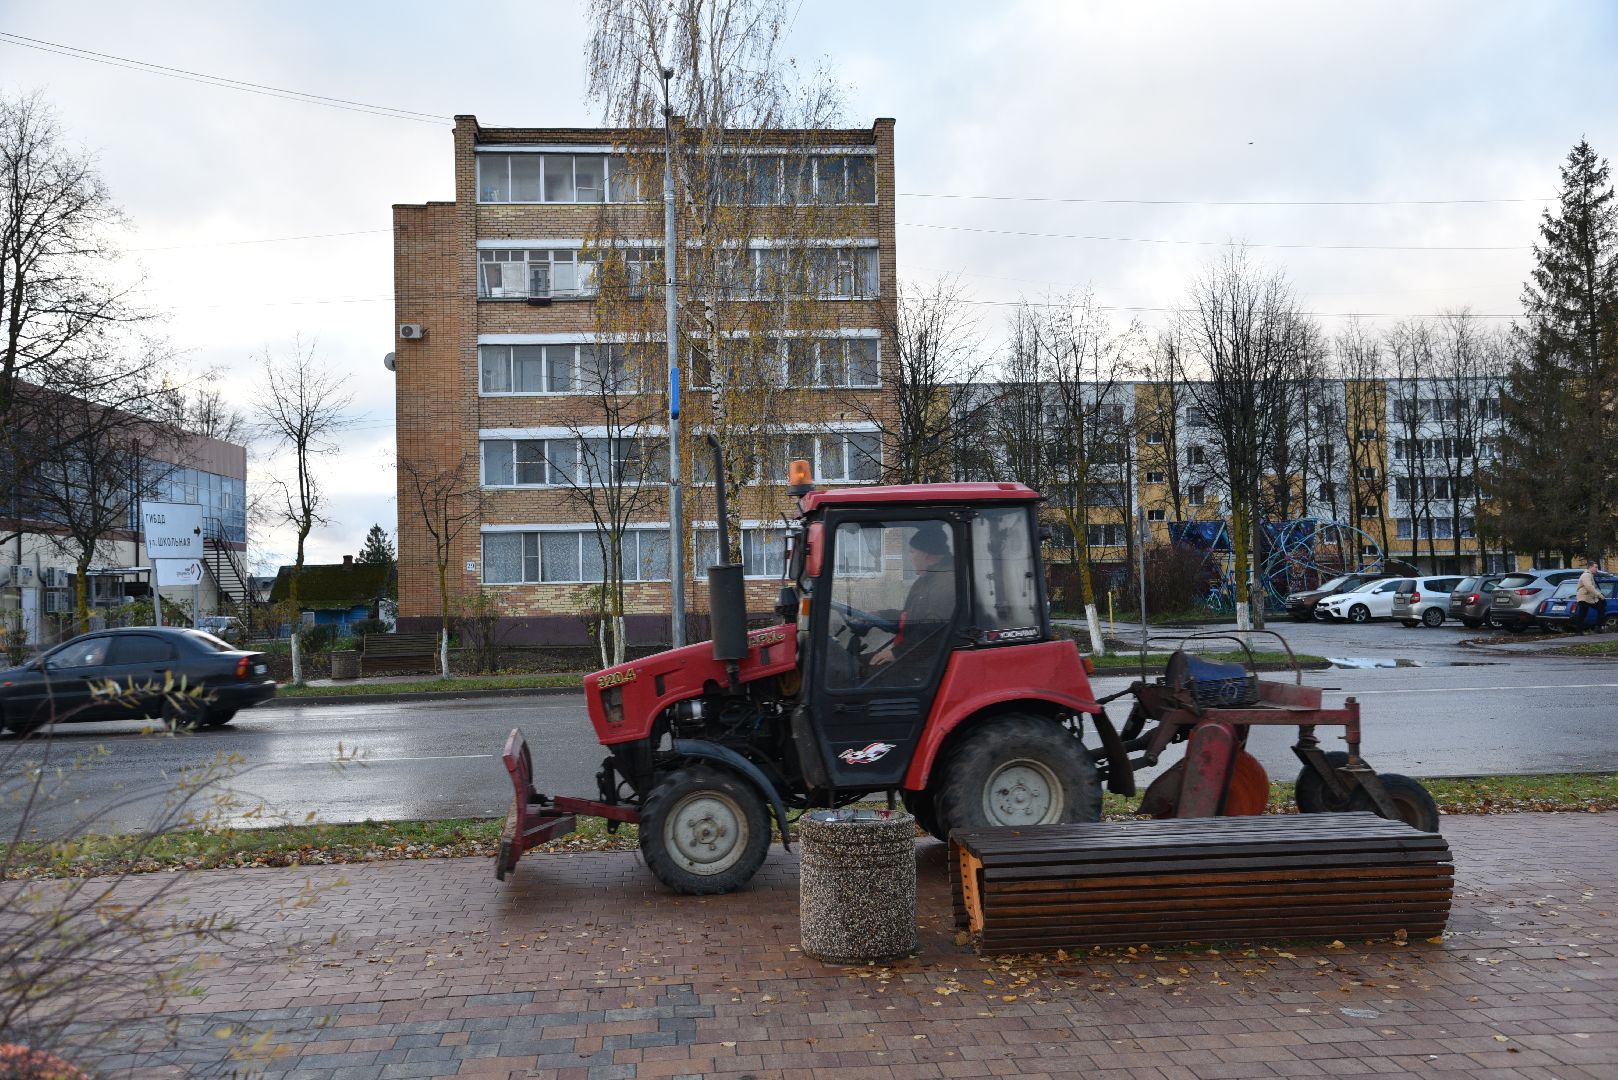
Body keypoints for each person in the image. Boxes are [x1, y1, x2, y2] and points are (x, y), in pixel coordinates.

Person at [870, 524, 956, 671]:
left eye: (912, 552)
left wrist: (897, 653)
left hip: (929, 663)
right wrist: (878, 616)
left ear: (927, 555)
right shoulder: (926, 580)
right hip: (916, 654)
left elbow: (933, 631)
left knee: (859, 673)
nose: (911, 558)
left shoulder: (947, 583)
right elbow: (910, 617)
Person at [1573, 559, 1603, 636]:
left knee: (1600, 607)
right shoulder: (1586, 575)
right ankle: (1579, 631)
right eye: (1595, 567)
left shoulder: (1590, 575)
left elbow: (1592, 587)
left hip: (1588, 598)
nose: (1597, 569)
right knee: (1583, 614)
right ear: (1590, 567)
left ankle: (1597, 627)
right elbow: (1589, 586)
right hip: (1584, 598)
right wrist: (1599, 595)